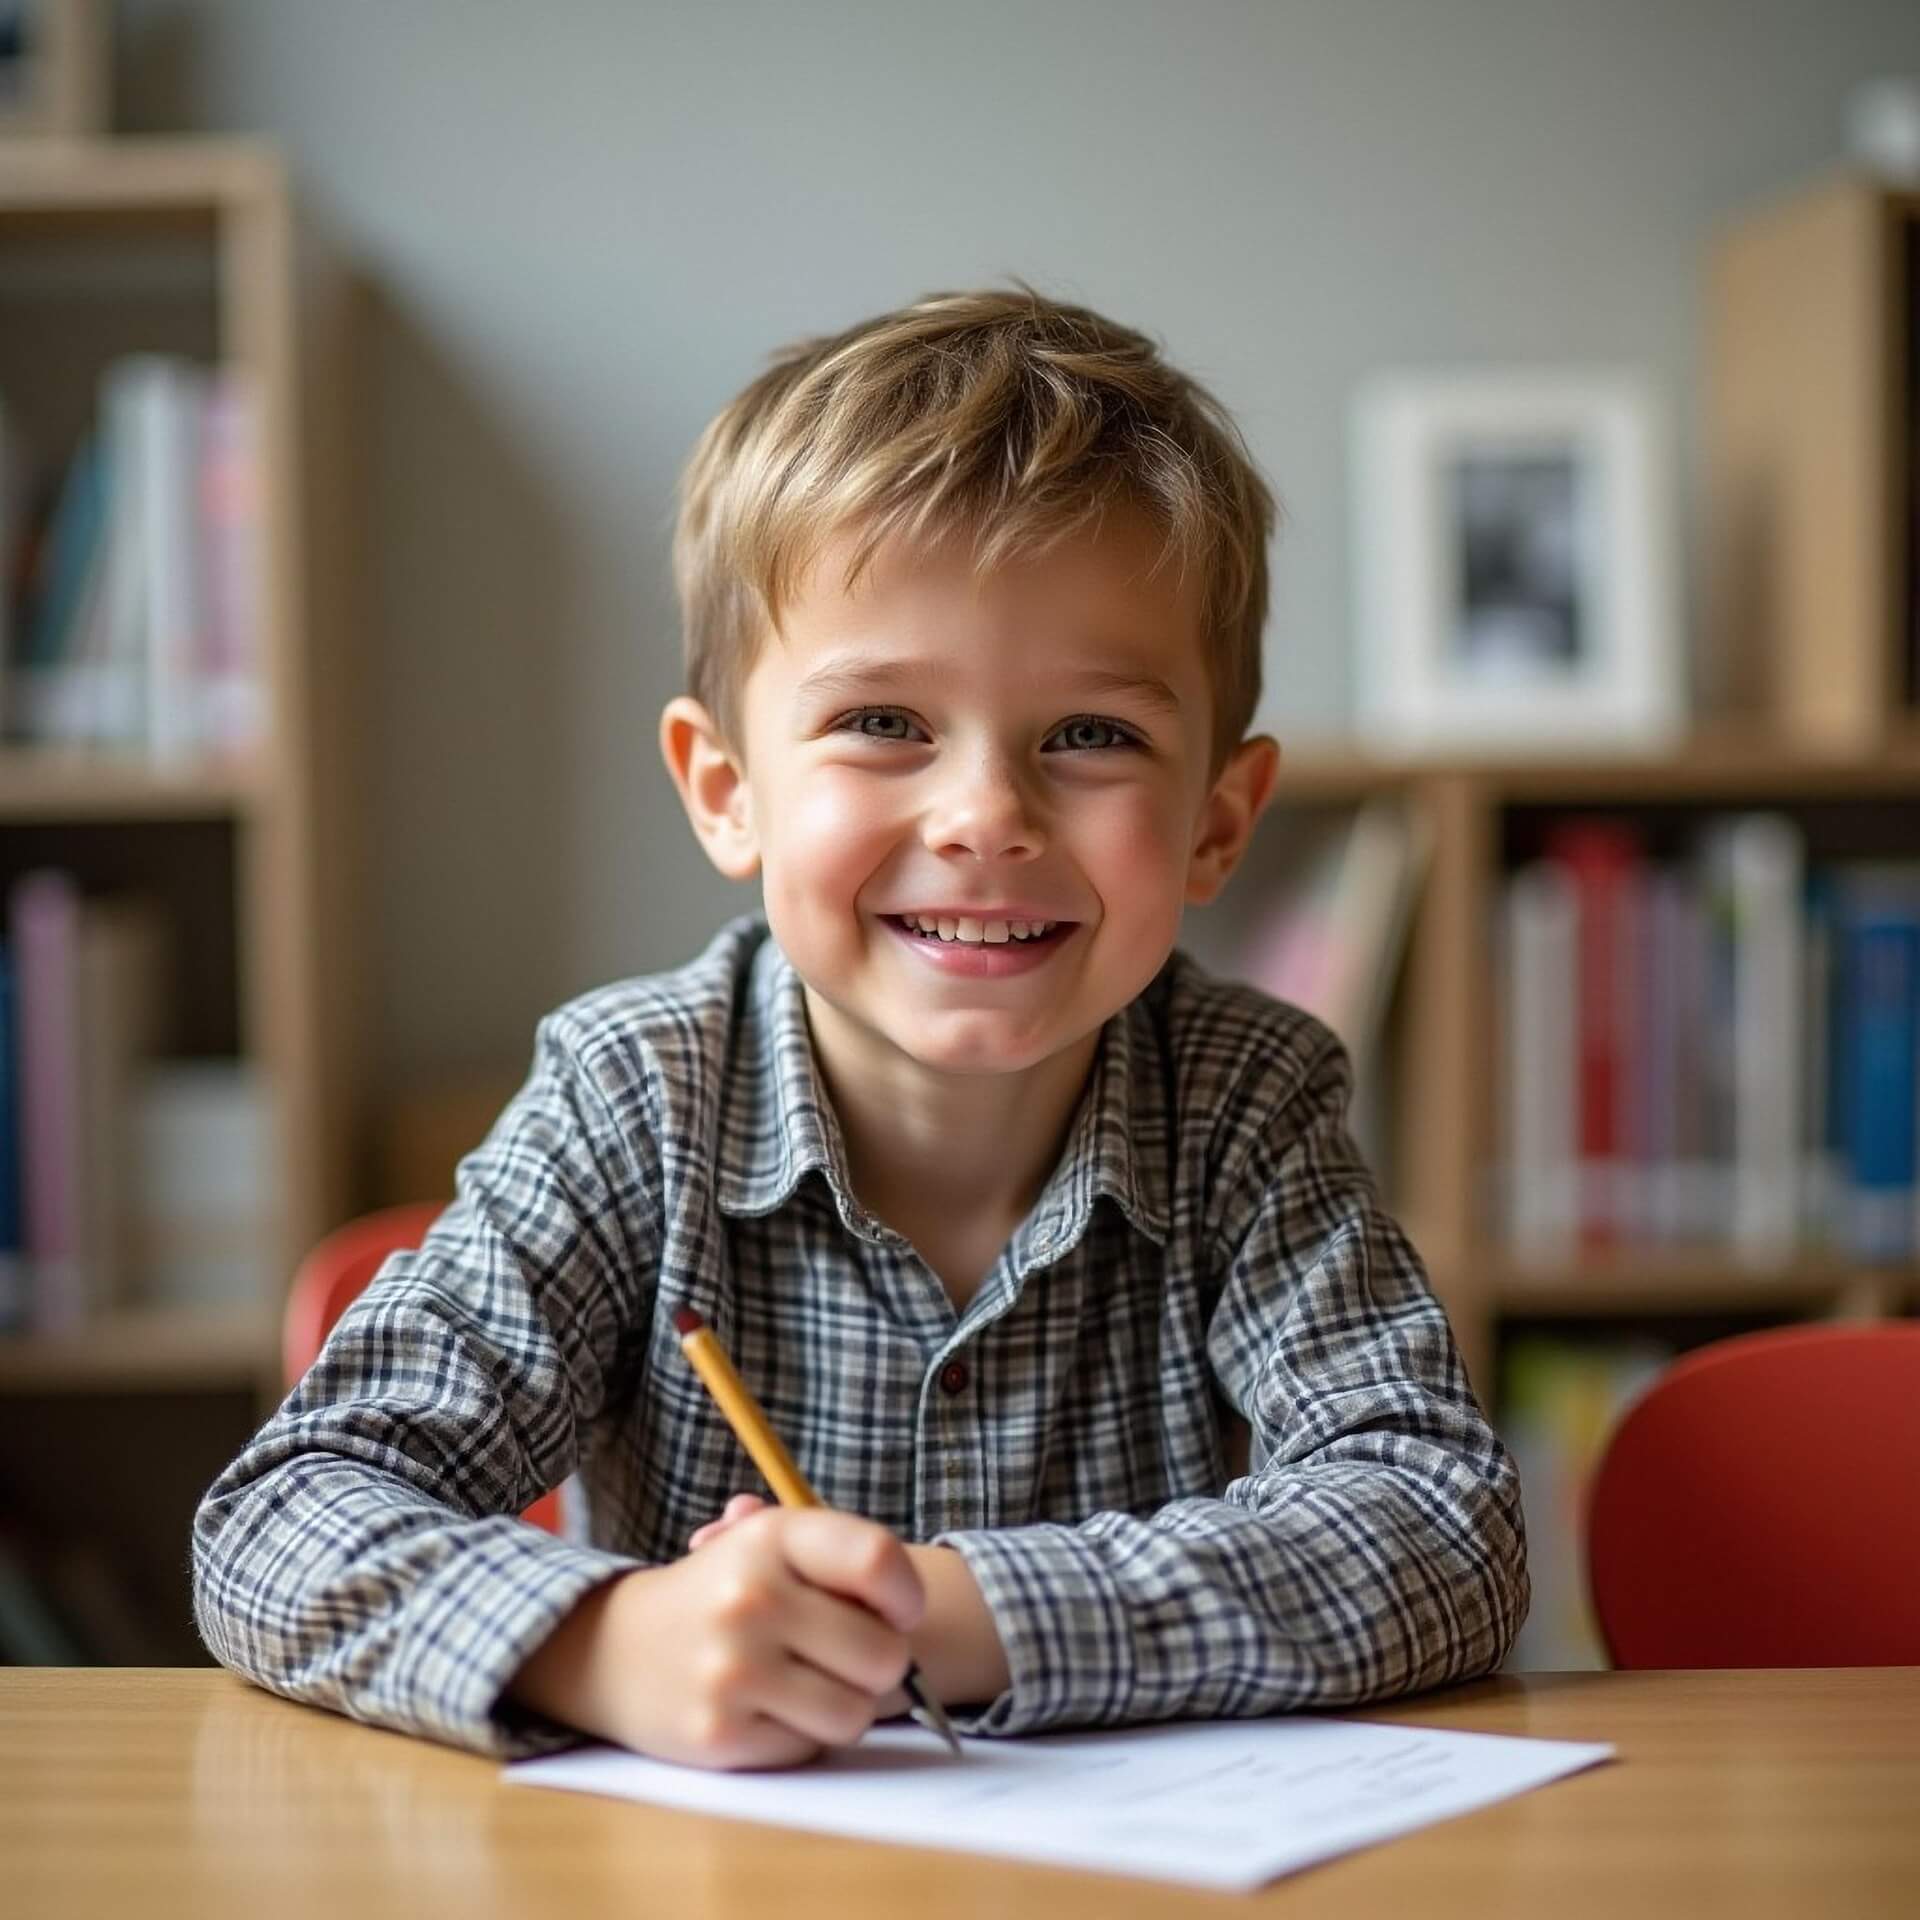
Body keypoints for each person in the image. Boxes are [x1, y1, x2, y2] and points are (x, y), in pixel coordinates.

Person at [192, 285, 1528, 1769]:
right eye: (884, 724)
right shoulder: (638, 1097)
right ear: (726, 790)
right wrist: (605, 1645)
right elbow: (281, 1519)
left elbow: (1439, 1524)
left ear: (1218, 822)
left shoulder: (1243, 1100)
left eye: (1091, 736)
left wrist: (959, 1615)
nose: (985, 819)